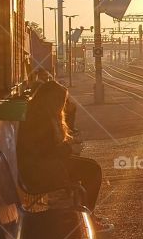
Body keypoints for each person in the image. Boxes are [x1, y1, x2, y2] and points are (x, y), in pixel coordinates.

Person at [17, 79, 101, 210]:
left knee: (92, 166)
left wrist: (69, 144)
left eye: (63, 100)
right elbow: (47, 152)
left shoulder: (42, 114)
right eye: (59, 100)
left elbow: (47, 149)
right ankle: (88, 214)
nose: (62, 104)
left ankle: (87, 214)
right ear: (49, 99)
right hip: (40, 172)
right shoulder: (39, 119)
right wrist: (69, 147)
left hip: (43, 166)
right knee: (93, 171)